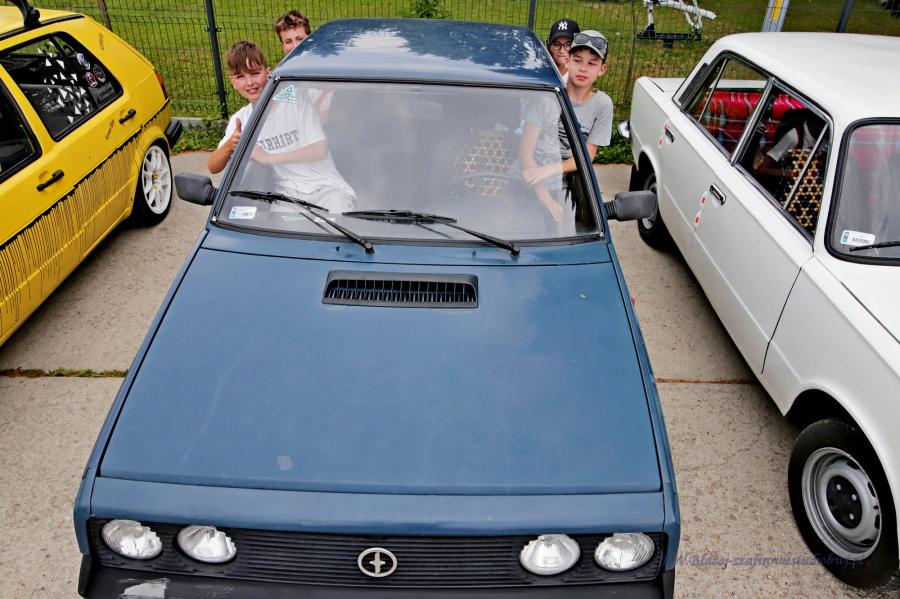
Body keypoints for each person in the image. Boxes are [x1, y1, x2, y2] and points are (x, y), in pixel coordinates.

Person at [208, 41, 355, 213]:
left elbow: (319, 150)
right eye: (240, 76)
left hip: (326, 188)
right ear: (232, 82)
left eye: (255, 73)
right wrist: (230, 145)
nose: (249, 82)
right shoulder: (241, 120)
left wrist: (269, 158)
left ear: (268, 73)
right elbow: (213, 166)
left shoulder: (295, 101)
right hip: (286, 196)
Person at [521, 31, 613, 222]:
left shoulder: (602, 105)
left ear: (602, 69)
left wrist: (549, 170)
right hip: (532, 171)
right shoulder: (546, 98)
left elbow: (586, 157)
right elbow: (525, 152)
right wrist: (545, 197)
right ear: (567, 61)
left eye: (592, 63)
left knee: (582, 221)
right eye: (577, 60)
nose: (583, 69)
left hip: (571, 175)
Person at [546, 18, 580, 84]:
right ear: (549, 46)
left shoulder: (580, 77)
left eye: (568, 45)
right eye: (556, 44)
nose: (561, 51)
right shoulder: (542, 70)